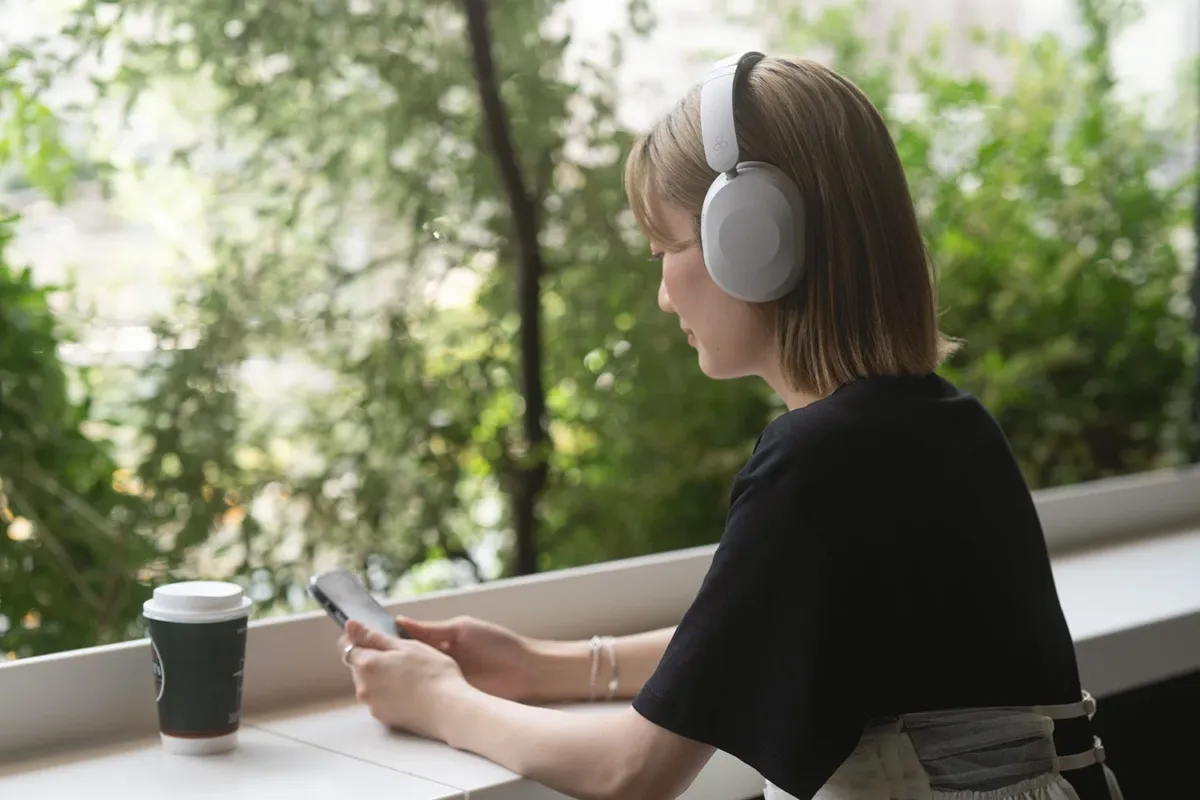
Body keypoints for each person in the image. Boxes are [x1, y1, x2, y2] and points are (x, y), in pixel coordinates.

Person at [337, 52, 1123, 800]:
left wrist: (439, 702)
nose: (664, 296)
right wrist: (542, 666)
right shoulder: (941, 425)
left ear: (749, 238)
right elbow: (749, 634)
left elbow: (632, 772)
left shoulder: (819, 462)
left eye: (663, 251)